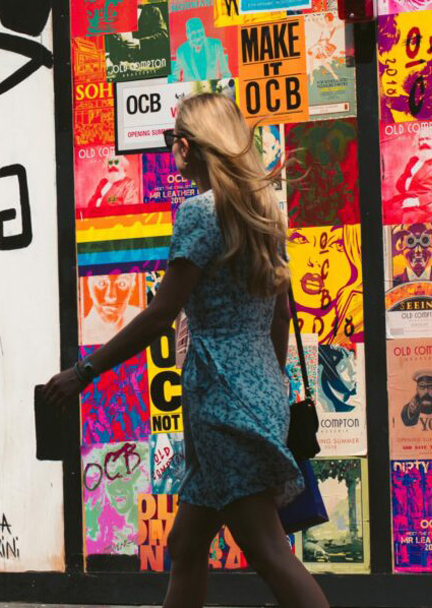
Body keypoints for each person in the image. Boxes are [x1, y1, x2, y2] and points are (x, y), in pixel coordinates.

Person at [44, 93, 328, 608]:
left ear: (190, 146)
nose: (171, 146)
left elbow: (161, 314)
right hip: (255, 392)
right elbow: (279, 316)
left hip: (222, 401)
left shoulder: (200, 213)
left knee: (267, 550)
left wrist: (83, 372)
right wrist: (268, 390)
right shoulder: (262, 211)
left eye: (172, 137)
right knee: (186, 544)